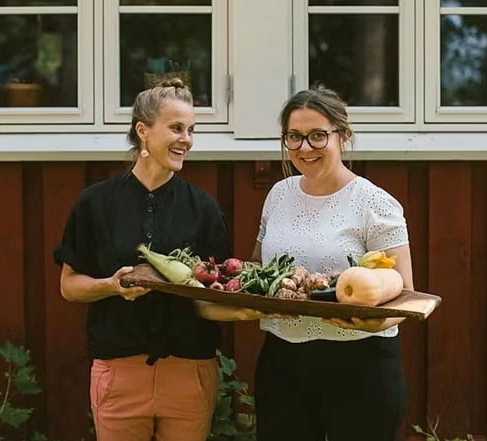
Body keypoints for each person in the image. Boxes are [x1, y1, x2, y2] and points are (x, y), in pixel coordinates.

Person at [54, 78, 258, 441]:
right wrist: (110, 286)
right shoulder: (95, 204)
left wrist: (247, 308)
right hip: (119, 373)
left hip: (189, 371)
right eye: (176, 128)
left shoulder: (204, 209)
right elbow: (69, 286)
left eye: (191, 130)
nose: (186, 139)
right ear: (143, 131)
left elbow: (208, 298)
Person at [251, 86, 415, 441]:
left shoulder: (375, 203)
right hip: (283, 362)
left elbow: (405, 294)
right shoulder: (278, 195)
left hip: (360, 364)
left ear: (343, 136)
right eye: (294, 137)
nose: (304, 148)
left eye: (317, 136)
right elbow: (258, 271)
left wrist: (369, 322)